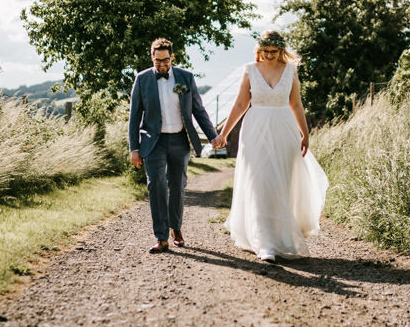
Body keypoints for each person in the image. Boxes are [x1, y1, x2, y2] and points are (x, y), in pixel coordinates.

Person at [210, 30, 328, 263]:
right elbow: (241, 103)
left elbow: (295, 103)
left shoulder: (291, 71)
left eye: (274, 52)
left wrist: (305, 133)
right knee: (261, 181)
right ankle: (264, 243)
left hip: (284, 130)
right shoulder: (250, 70)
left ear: (281, 50)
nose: (269, 55)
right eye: (265, 51)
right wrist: (224, 133)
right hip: (255, 131)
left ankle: (280, 237)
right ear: (259, 50)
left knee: (280, 183)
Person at [129, 38, 218, 254]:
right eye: (158, 61)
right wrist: (134, 148)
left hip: (179, 140)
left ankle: (176, 228)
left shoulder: (185, 77)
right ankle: (161, 237)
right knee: (156, 186)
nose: (162, 64)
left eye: (166, 60)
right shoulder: (142, 79)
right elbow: (134, 116)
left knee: (178, 186)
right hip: (153, 142)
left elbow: (198, 110)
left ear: (172, 57)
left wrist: (213, 136)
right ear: (152, 58)